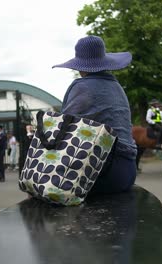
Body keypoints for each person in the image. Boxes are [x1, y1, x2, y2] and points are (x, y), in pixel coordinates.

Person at [53, 35, 137, 194]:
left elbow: (65, 129)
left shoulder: (81, 87)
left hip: (100, 173)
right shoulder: (117, 86)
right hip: (128, 171)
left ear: (80, 66)